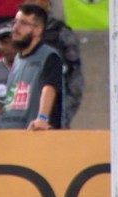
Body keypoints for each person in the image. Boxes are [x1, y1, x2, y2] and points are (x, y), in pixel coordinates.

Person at [0, 4, 63, 130]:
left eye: (23, 23)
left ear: (37, 30)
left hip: (35, 134)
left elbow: (49, 88)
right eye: (15, 22)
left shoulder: (49, 57)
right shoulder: (18, 59)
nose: (15, 28)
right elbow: (15, 97)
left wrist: (42, 118)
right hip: (11, 133)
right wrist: (2, 106)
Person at [24, 0, 83, 128]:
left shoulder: (61, 33)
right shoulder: (17, 31)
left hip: (52, 118)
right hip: (21, 114)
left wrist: (63, 116)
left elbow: (74, 78)